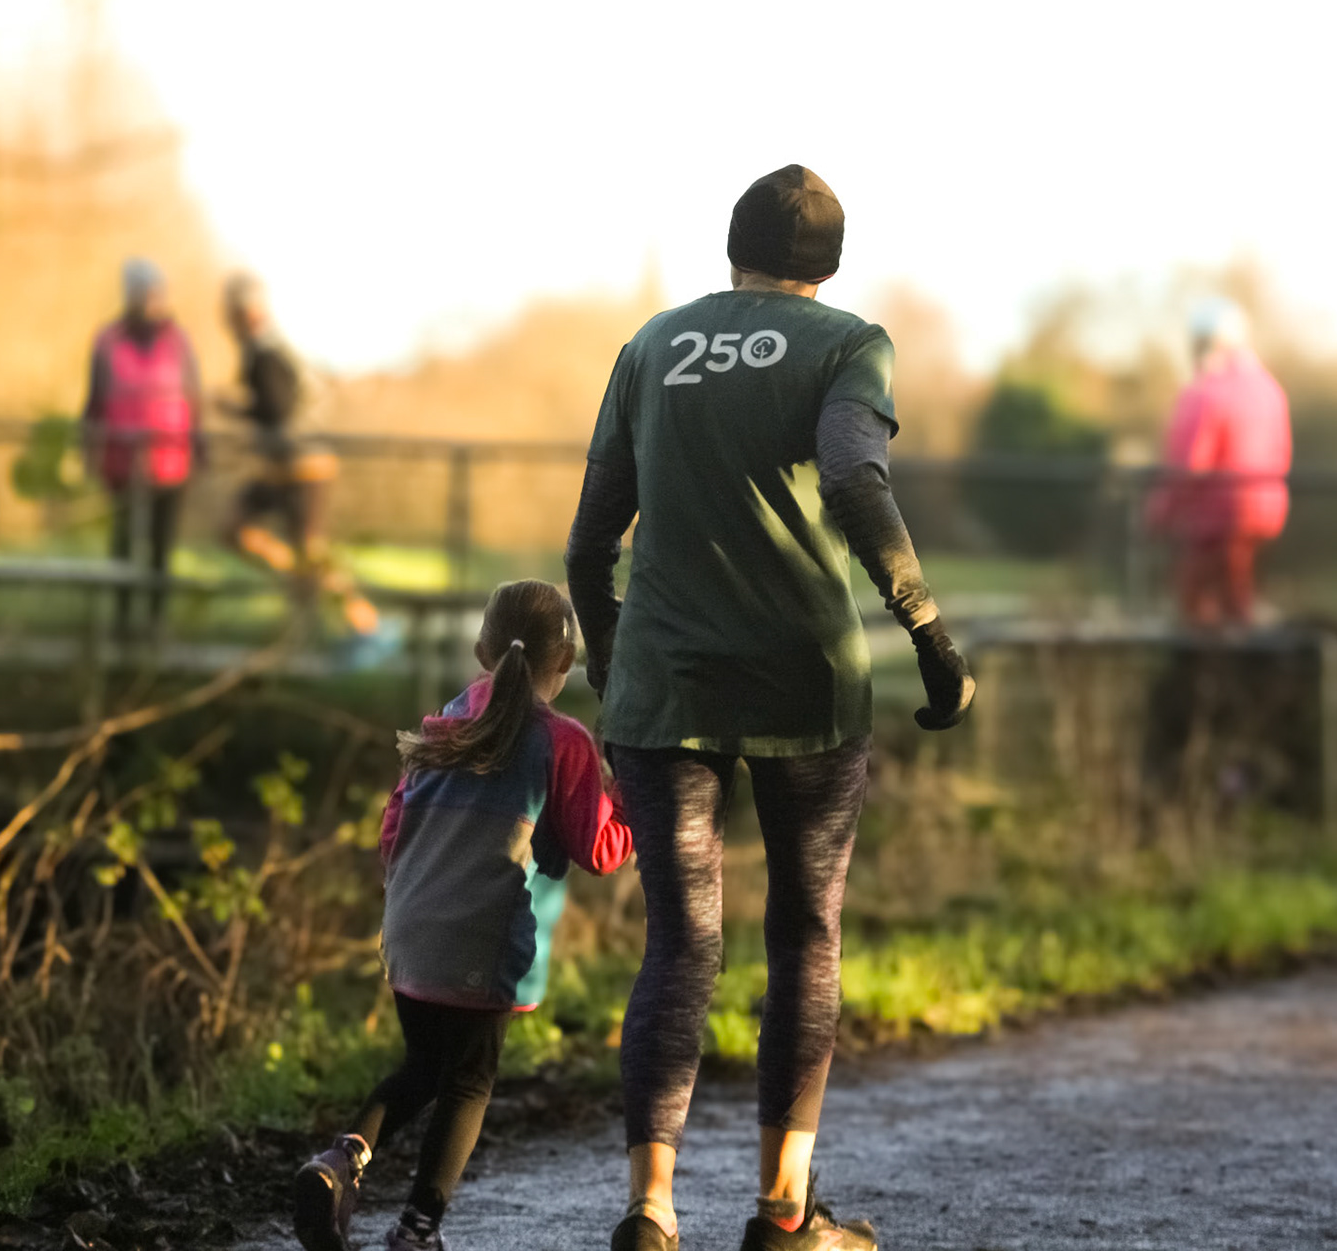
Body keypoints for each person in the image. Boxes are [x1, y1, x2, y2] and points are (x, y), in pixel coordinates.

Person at [565, 165, 975, 1251]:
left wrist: (617, 675)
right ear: (829, 264)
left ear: (732, 245)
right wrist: (928, 630)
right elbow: (853, 479)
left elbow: (587, 540)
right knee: (805, 931)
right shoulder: (850, 343)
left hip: (666, 683)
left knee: (681, 941)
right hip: (806, 679)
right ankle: (786, 1212)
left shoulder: (655, 344)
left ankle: (652, 1209)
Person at [290, 580, 632, 1251]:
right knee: (469, 1081)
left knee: (423, 1064)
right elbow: (598, 848)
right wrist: (634, 803)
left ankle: (340, 1162)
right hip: (484, 936)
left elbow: (395, 824)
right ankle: (418, 1230)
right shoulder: (561, 743)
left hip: (411, 924)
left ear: (481, 649)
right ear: (564, 662)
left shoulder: (444, 721)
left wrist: (412, 888)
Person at [218, 273, 378, 635]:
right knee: (245, 532)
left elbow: (277, 407)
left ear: (246, 312)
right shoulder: (269, 347)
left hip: (302, 466)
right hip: (284, 465)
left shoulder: (265, 352)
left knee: (311, 552)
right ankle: (310, 597)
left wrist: (236, 409)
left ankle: (366, 625)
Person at [1146, 299, 1293, 628]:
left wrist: (1160, 510)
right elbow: (1281, 452)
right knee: (1236, 594)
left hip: (1216, 515)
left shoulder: (1204, 393)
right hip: (1261, 512)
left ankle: (1212, 671)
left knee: (1197, 603)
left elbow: (1188, 464)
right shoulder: (1270, 389)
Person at [82, 258, 202, 640]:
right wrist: (89, 450)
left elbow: (195, 399)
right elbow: (95, 400)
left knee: (160, 550)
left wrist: (200, 447)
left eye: (155, 292)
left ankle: (155, 626)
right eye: (142, 292)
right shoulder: (108, 340)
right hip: (122, 461)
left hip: (170, 462)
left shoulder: (178, 342)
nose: (151, 300)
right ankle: (121, 625)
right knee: (123, 545)